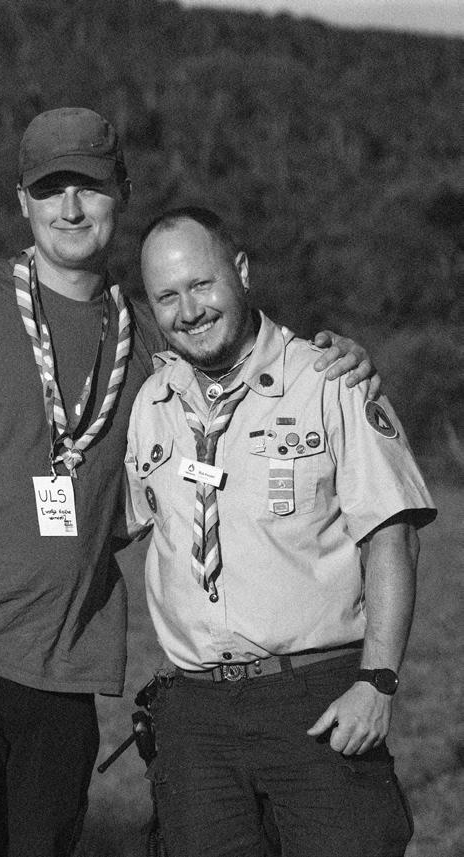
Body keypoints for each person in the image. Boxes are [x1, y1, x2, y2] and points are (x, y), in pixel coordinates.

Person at [0, 108, 379, 857]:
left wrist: (337, 358)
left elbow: (244, 352)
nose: (70, 208)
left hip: (67, 673)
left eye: (89, 187)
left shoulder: (151, 337)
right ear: (22, 201)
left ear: (120, 192)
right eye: (49, 189)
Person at [125, 207, 437, 857]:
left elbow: (391, 534)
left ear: (240, 271)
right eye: (167, 296)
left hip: (316, 699)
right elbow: (109, 530)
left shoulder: (329, 381)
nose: (189, 310)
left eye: (202, 284)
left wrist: (377, 682)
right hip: (195, 717)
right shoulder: (152, 404)